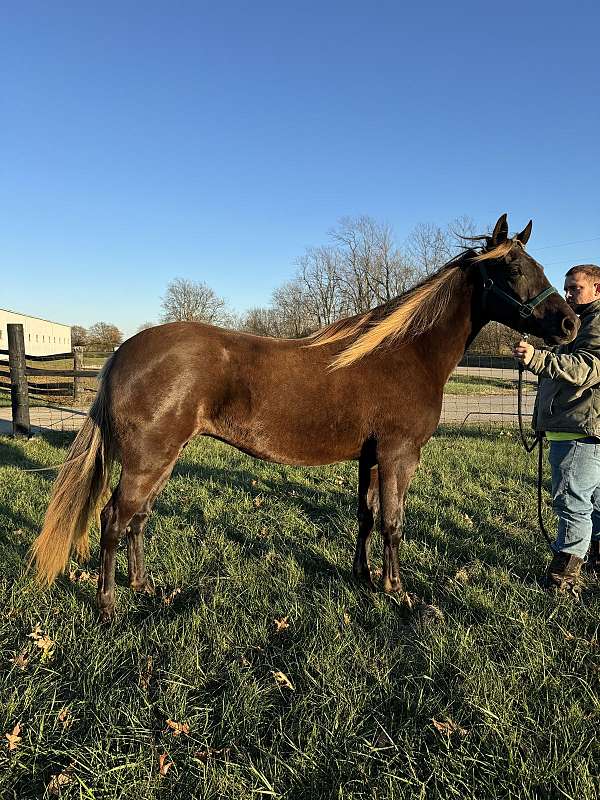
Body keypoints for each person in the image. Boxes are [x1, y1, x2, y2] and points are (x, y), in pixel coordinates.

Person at [513, 264, 600, 594]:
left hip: (580, 430)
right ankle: (594, 563)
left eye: (575, 288)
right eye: (567, 288)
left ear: (597, 289)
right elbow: (573, 357)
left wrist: (538, 359)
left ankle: (562, 582)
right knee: (594, 503)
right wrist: (543, 355)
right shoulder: (580, 323)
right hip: (583, 428)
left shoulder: (596, 322)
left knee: (572, 504)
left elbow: (587, 367)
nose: (568, 295)